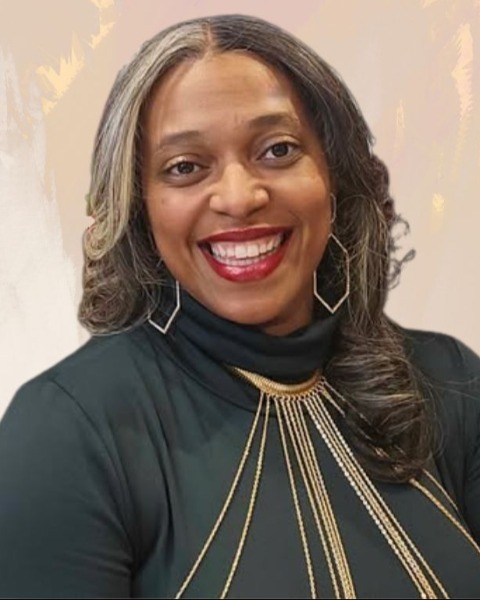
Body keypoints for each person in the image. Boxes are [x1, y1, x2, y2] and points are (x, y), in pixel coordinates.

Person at [1, 13, 479, 599]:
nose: (238, 197)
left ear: (334, 178)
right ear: (139, 208)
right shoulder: (69, 431)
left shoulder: (449, 382)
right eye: (184, 167)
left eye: (278, 150)